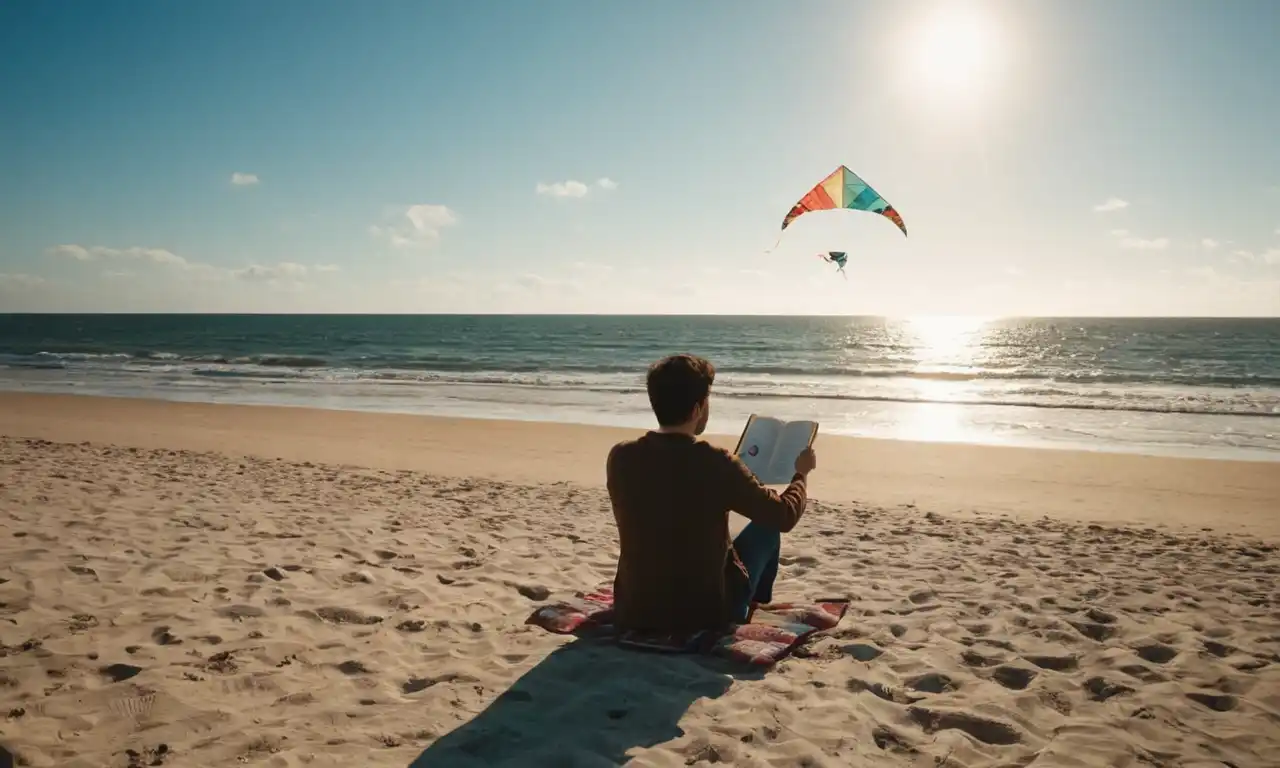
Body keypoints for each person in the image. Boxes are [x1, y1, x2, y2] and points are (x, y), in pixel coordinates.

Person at [605, 354, 817, 632]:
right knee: (766, 528)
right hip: (702, 615)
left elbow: (669, 496)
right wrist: (800, 475)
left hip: (635, 609)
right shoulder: (715, 462)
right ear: (697, 409)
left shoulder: (621, 456)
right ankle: (751, 605)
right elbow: (785, 515)